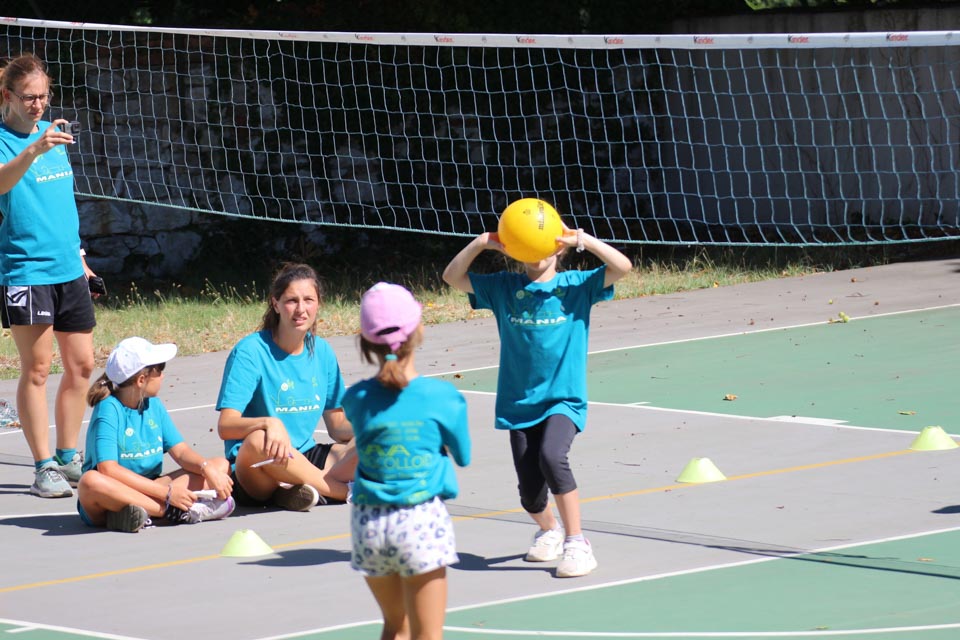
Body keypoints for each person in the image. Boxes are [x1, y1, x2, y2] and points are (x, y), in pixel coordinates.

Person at [442, 217, 632, 578]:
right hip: (519, 403)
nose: (535, 251)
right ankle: (549, 530)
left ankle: (577, 542)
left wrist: (583, 240)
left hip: (563, 399)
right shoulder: (503, 287)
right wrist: (481, 242)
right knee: (530, 495)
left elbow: (622, 267)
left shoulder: (577, 286)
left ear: (557, 249)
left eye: (542, 244)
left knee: (552, 456)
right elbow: (452, 277)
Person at [344, 282, 471, 640]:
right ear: (419, 331)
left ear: (366, 341)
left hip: (368, 522)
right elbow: (463, 454)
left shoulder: (356, 398)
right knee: (426, 635)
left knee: (394, 628)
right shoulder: (442, 396)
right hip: (419, 520)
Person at [0, 53, 100, 498]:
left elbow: (61, 204)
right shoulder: (9, 141)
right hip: (26, 269)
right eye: (28, 97)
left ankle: (67, 456)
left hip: (67, 268)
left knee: (82, 366)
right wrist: (32, 150)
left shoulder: (53, 134)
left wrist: (79, 256)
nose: (38, 104)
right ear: (8, 96)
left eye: (43, 96)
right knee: (38, 368)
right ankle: (43, 467)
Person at [216, 262, 357, 511]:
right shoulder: (250, 352)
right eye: (292, 300)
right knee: (259, 439)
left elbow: (337, 427)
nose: (301, 309)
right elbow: (226, 426)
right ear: (276, 304)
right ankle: (342, 491)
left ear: (319, 303)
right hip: (259, 465)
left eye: (308, 300)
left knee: (375, 442)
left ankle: (294, 490)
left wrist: (377, 425)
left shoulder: (322, 351)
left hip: (303, 455)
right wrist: (269, 423)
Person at [77, 337, 235, 533]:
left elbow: (181, 452)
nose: (163, 375)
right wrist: (167, 495)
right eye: (159, 369)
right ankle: (172, 511)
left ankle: (142, 514)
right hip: (112, 493)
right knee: (90, 481)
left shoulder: (154, 405)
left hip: (151, 487)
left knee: (220, 465)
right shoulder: (109, 408)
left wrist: (206, 467)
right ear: (141, 380)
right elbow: (108, 470)